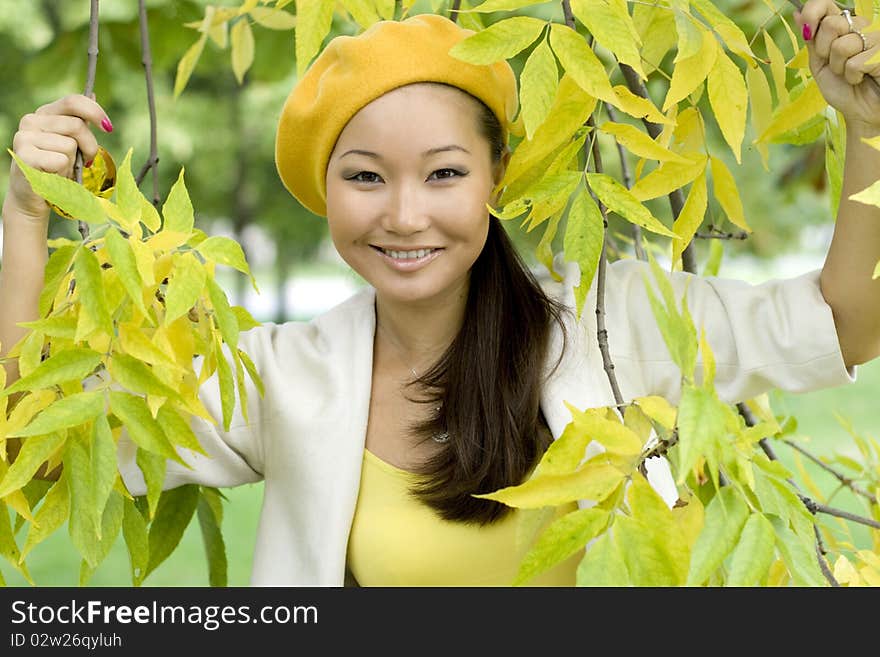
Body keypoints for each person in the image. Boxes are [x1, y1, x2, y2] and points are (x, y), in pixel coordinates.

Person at [1, 0, 878, 587]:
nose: (405, 214)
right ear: (327, 192)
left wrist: (867, 127)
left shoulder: (618, 321)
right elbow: (33, 446)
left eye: (444, 172)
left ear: (495, 176)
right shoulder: (282, 375)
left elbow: (844, 323)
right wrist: (30, 219)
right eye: (367, 176)